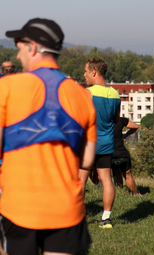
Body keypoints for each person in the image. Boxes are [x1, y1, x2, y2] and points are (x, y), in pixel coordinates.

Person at [0, 18, 97, 255]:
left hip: (18, 207)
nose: (18, 52)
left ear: (32, 47)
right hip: (67, 208)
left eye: (18, 44)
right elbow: (86, 160)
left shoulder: (7, 87)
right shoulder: (82, 96)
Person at [79, 58, 121, 229]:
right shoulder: (116, 94)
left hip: (88, 144)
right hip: (106, 142)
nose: (84, 75)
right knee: (106, 179)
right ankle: (106, 218)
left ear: (94, 72)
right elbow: (117, 119)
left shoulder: (87, 93)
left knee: (80, 180)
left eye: (86, 71)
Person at [111, 117, 143, 196]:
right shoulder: (120, 120)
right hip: (121, 153)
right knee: (128, 176)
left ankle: (120, 191)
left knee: (116, 172)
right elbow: (136, 126)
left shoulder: (101, 121)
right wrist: (125, 135)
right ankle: (136, 194)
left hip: (108, 153)